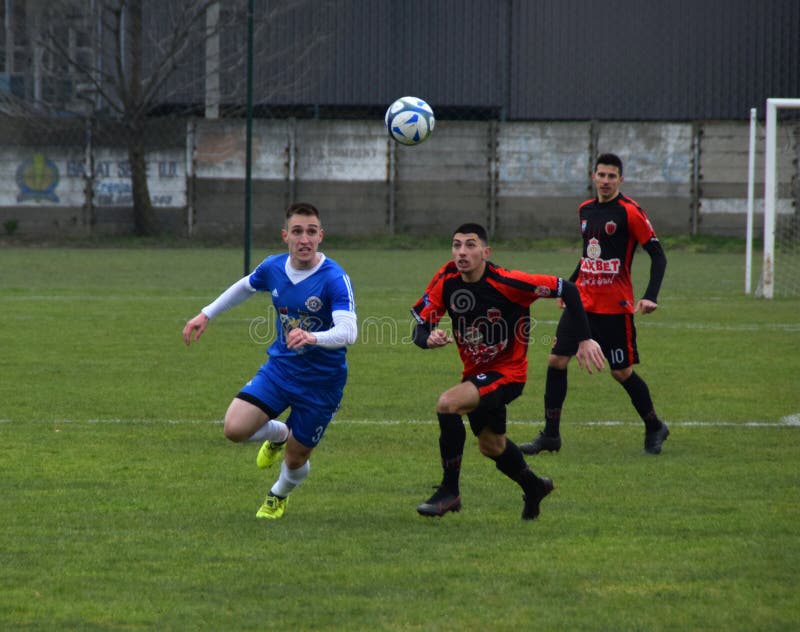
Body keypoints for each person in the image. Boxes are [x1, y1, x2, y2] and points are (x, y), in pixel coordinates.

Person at [410, 223, 605, 520]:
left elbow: (568, 288)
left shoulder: (509, 282)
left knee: (447, 404)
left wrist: (584, 338)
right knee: (492, 446)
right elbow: (420, 327)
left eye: (471, 245)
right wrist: (429, 337)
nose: (462, 252)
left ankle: (450, 493)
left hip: (508, 375)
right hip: (476, 374)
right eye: (457, 245)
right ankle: (535, 486)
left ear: (486, 252)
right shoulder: (447, 278)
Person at [182, 202, 357, 519]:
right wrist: (206, 313)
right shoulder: (274, 268)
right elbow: (245, 287)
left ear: (321, 236)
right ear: (285, 236)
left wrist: (313, 337)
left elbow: (349, 332)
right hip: (281, 370)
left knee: (295, 459)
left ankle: (278, 494)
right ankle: (279, 433)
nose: (304, 239)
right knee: (234, 429)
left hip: (321, 384)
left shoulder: (334, 278)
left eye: (311, 232)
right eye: (297, 231)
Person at [520, 153, 669, 456]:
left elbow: (658, 255)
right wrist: (569, 285)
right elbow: (589, 255)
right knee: (556, 361)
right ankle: (551, 435)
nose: (605, 181)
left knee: (621, 372)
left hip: (615, 306)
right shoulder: (585, 210)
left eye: (611, 176)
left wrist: (650, 295)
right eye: (601, 175)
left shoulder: (631, 212)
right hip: (583, 303)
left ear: (620, 180)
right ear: (593, 176)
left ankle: (654, 425)